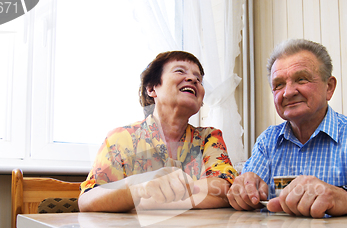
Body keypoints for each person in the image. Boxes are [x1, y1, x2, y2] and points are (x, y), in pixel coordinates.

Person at [227, 39, 347, 218]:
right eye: (278, 84)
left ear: (329, 87)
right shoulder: (267, 141)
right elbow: (247, 190)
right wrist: (243, 192)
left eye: (301, 79)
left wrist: (341, 196)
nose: (288, 92)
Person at [79, 51, 237, 212]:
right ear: (151, 88)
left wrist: (139, 201)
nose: (193, 79)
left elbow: (223, 190)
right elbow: (87, 200)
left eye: (199, 79)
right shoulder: (120, 139)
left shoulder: (209, 138)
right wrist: (137, 186)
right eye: (180, 71)